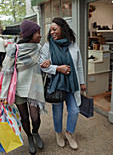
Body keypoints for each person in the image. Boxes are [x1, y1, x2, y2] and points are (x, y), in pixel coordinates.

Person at [0, 20, 50, 154]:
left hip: (34, 88)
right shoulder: (14, 49)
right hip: (18, 90)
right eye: (37, 33)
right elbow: (6, 72)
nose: (40, 35)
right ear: (29, 34)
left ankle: (35, 133)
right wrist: (3, 95)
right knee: (24, 117)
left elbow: (45, 65)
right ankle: (29, 137)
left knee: (36, 118)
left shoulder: (39, 48)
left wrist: (47, 63)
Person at [39, 17, 86, 150]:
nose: (52, 32)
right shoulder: (47, 46)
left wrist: (82, 81)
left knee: (74, 110)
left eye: (55, 29)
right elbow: (42, 66)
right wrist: (58, 68)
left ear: (62, 29)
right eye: (51, 30)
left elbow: (79, 65)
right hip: (56, 84)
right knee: (57, 111)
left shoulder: (72, 44)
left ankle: (69, 134)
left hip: (71, 83)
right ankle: (58, 133)